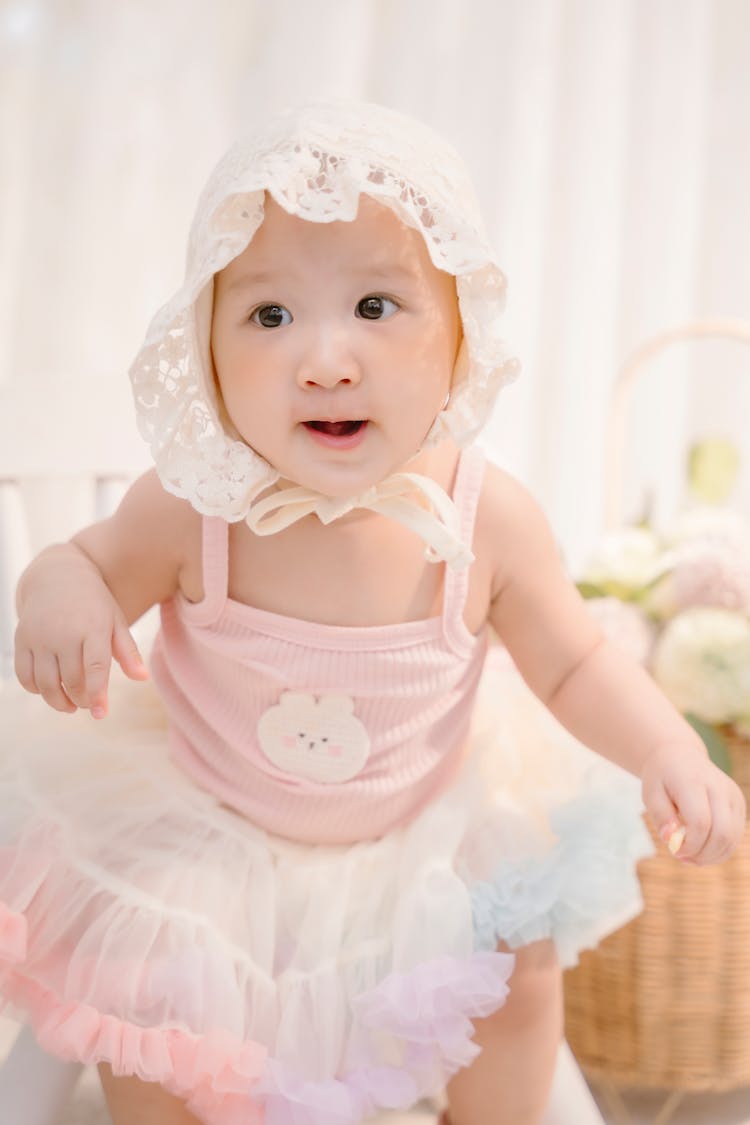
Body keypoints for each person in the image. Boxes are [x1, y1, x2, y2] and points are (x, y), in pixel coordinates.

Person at [1, 100, 745, 1125]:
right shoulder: (192, 504)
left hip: (421, 833)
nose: (324, 359)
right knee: (150, 985)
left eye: (376, 306)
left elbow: (573, 664)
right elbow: (84, 561)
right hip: (210, 827)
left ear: (459, 341)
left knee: (517, 971)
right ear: (206, 347)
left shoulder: (487, 517)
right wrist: (60, 591)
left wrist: (669, 748)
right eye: (268, 316)